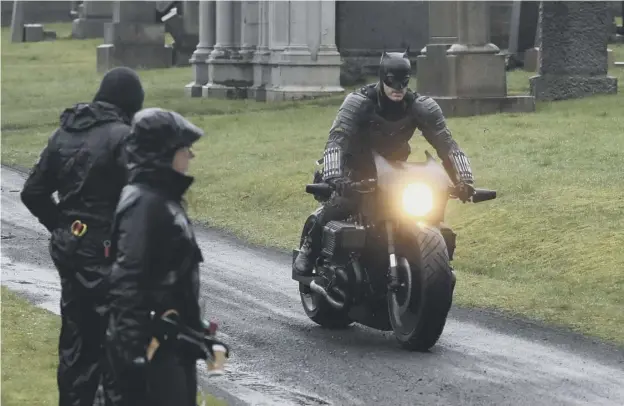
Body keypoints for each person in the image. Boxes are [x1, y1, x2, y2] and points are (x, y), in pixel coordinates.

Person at [20, 66, 145, 406]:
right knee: (119, 341)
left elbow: (33, 192)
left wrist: (64, 226)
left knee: (76, 339)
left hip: (70, 248)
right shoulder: (122, 137)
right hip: (109, 252)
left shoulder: (64, 133)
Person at [293, 50, 475, 276]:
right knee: (341, 203)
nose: (398, 88)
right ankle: (309, 248)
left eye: (403, 82)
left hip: (394, 173)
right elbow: (337, 139)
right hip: (355, 170)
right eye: (391, 81)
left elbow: (447, 144)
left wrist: (463, 178)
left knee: (427, 213)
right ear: (382, 78)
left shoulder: (421, 106)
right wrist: (334, 177)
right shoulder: (358, 102)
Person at [104, 108, 228, 406]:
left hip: (170, 347)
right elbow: (127, 282)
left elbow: (172, 280)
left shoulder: (160, 199)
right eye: (185, 149)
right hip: (153, 349)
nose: (190, 157)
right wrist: (132, 356)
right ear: (163, 153)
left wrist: (199, 333)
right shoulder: (144, 203)